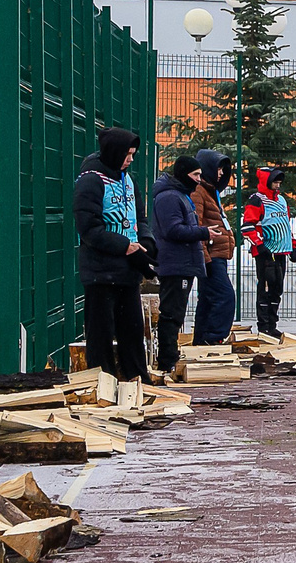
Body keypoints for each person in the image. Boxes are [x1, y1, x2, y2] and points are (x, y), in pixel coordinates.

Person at [73, 126, 152, 391]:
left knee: (133, 329)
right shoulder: (91, 180)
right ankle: (103, 384)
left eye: (133, 154)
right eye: (127, 154)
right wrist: (123, 245)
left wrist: (147, 243)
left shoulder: (128, 180)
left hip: (128, 269)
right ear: (114, 152)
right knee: (101, 333)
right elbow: (88, 228)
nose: (130, 159)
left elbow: (140, 217)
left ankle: (137, 380)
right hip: (101, 271)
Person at [150, 153, 210, 373]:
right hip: (175, 263)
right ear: (184, 174)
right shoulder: (170, 197)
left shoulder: (180, 195)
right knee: (172, 313)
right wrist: (203, 232)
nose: (199, 180)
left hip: (182, 262)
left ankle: (170, 356)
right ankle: (168, 359)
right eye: (195, 175)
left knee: (176, 312)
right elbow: (173, 230)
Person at [191, 151, 238, 347]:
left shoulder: (211, 192)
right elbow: (197, 225)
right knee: (224, 296)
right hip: (211, 256)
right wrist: (205, 258)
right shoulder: (199, 192)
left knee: (208, 299)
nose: (221, 173)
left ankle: (202, 339)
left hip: (216, 254)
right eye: (218, 169)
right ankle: (214, 337)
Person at [244, 168, 295, 336]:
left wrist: (293, 246)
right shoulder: (257, 200)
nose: (278, 185)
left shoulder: (281, 200)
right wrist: (259, 245)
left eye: (279, 182)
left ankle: (272, 324)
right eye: (275, 182)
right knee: (266, 289)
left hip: (281, 252)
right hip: (266, 253)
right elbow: (247, 227)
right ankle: (264, 325)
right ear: (266, 182)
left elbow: (285, 225)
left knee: (277, 289)